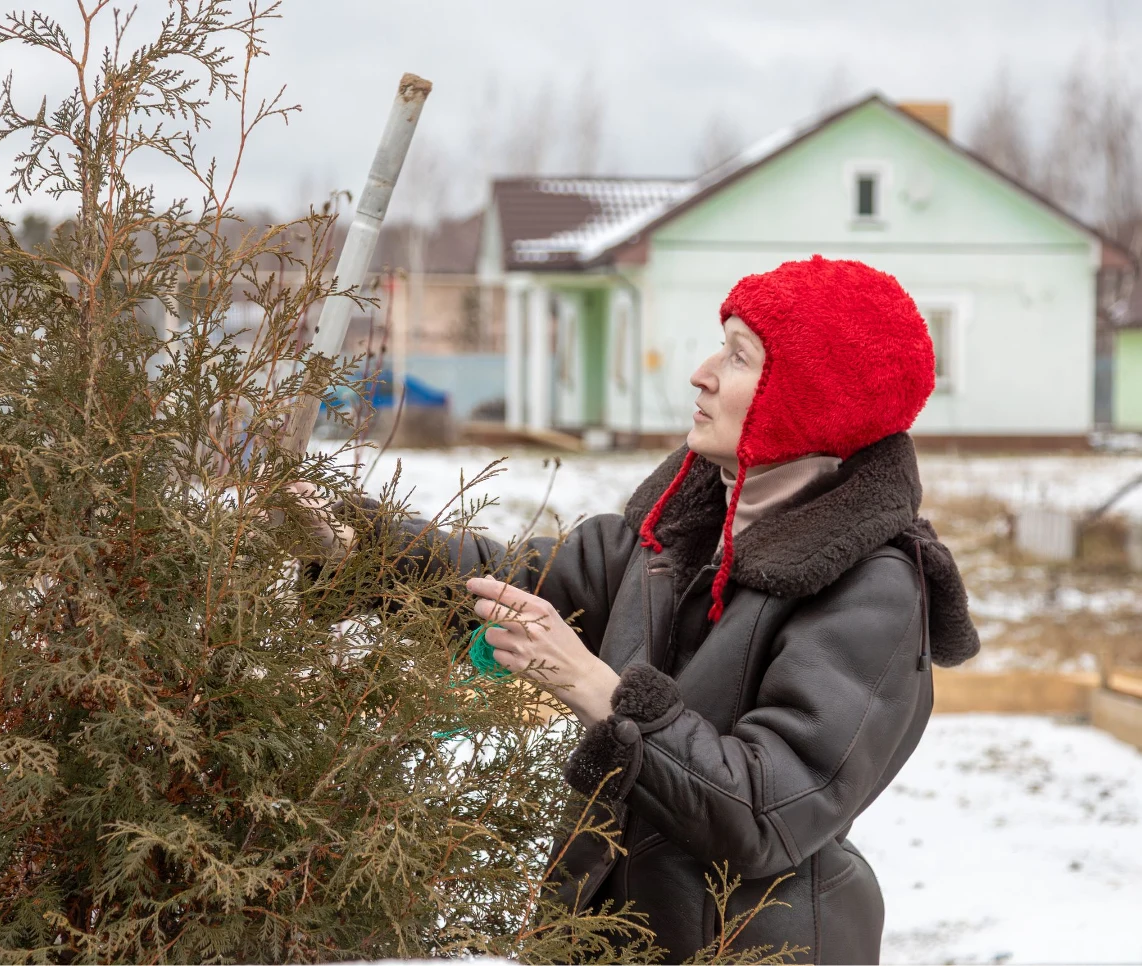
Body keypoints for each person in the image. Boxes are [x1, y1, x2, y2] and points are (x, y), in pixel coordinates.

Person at [304, 255, 979, 964]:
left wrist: (593, 687)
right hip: (603, 937)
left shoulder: (873, 590)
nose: (702, 373)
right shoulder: (671, 537)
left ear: (811, 397)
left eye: (739, 356)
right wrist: (354, 541)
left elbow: (764, 813)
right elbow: (510, 581)